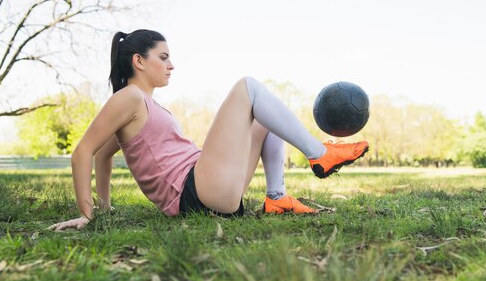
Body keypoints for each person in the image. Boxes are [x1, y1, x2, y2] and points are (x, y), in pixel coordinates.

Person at [48, 29, 369, 231]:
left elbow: (104, 156)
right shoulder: (129, 97)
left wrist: (104, 207)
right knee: (249, 88)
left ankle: (277, 197)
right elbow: (84, 153)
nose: (171, 64)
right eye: (163, 57)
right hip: (195, 192)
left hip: (210, 190)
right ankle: (320, 154)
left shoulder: (144, 105)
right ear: (139, 61)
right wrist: (89, 214)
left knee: (264, 117)